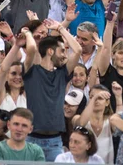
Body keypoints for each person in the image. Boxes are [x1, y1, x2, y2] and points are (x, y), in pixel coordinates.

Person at [22, 19, 82, 161]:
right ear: (50, 51)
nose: (64, 55)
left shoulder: (62, 74)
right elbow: (31, 49)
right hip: (32, 141)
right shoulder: (32, 71)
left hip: (55, 141)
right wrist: (28, 33)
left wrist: (60, 28)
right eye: (61, 51)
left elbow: (78, 50)